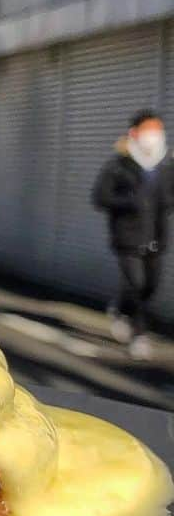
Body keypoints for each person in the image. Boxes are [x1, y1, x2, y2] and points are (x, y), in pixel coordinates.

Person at [92, 110, 174, 359]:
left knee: (150, 286)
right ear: (135, 133)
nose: (154, 136)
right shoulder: (118, 165)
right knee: (136, 284)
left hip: (155, 238)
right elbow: (100, 197)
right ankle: (138, 335)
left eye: (158, 130)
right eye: (149, 130)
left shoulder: (166, 165)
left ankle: (120, 308)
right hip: (127, 237)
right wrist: (129, 201)